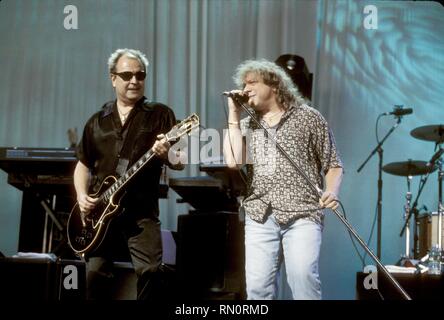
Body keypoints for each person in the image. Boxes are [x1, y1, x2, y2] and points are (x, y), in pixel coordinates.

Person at [223, 59, 343, 300]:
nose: (245, 89)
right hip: (260, 214)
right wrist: (234, 114)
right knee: (257, 288)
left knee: (302, 278)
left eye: (252, 83)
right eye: (243, 84)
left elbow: (333, 164)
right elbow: (232, 162)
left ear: (275, 85)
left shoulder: (308, 117)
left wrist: (332, 191)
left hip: (303, 213)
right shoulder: (247, 124)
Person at [74, 48, 183, 300]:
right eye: (127, 75)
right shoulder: (96, 121)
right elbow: (82, 164)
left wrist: (167, 153)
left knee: (152, 273)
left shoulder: (160, 114)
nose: (134, 80)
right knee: (95, 276)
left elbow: (180, 161)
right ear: (113, 78)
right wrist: (81, 195)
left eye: (140, 75)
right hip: (100, 216)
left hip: (141, 213)